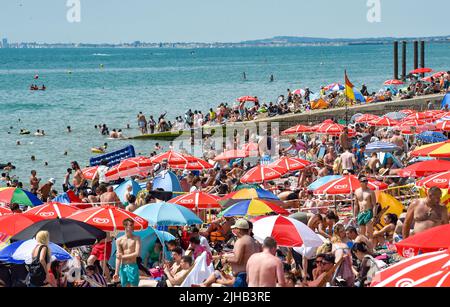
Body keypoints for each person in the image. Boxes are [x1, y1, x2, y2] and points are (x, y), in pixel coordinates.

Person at [221, 219, 260, 287]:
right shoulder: (255, 242)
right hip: (252, 276)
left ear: (239, 229)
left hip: (242, 277)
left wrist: (226, 259)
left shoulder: (241, 241)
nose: (233, 231)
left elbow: (237, 260)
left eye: (235, 229)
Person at [113, 218, 141, 287]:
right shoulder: (119, 240)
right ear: (125, 226)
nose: (132, 227)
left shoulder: (136, 238)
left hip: (132, 265)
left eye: (132, 225)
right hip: (123, 267)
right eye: (130, 225)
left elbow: (137, 254)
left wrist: (122, 256)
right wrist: (116, 272)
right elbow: (118, 257)